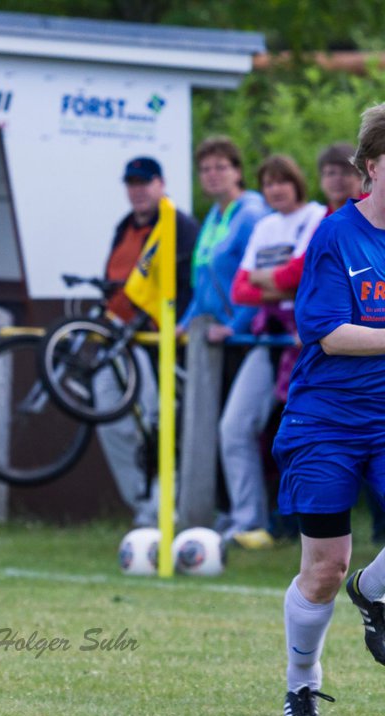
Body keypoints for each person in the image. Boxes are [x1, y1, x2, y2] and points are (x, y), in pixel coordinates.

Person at [269, 103, 385, 716]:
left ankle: (371, 590)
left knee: (352, 573)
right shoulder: (337, 236)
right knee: (323, 568)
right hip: (327, 422)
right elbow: (329, 332)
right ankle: (302, 682)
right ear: (369, 167)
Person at [221, 156, 326, 550]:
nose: (276, 189)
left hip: (310, 346)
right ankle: (249, 522)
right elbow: (240, 290)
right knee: (234, 428)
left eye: (283, 180)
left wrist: (278, 283)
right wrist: (282, 286)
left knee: (305, 437)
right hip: (270, 342)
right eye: (268, 183)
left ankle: (310, 529)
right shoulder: (265, 225)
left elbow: (302, 276)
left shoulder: (317, 216)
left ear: (298, 182)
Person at [97, 156, 199, 527]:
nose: (137, 190)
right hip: (119, 340)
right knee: (110, 419)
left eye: (144, 182)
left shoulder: (179, 226)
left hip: (162, 343)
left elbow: (191, 281)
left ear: (161, 184)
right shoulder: (124, 226)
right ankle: (142, 502)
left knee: (162, 423)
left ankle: (166, 505)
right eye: (131, 183)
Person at [179, 136, 270, 342]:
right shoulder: (213, 216)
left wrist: (234, 328)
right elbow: (204, 283)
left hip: (243, 337)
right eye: (205, 169)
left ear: (237, 172)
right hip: (214, 334)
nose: (212, 175)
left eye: (220, 167)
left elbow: (260, 282)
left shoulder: (252, 214)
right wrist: (184, 324)